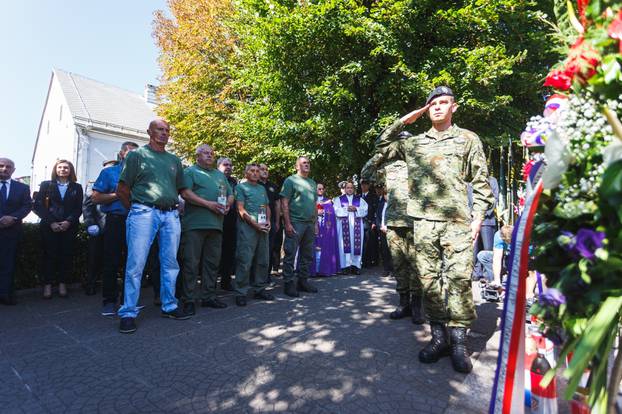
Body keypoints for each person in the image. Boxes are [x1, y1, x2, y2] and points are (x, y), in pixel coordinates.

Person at [374, 86, 493, 373]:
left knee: (459, 279)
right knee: (428, 280)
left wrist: (478, 217)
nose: (438, 107)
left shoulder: (467, 139)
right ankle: (438, 337)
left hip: (457, 223)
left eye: (444, 103)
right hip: (423, 224)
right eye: (433, 104)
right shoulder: (413, 144)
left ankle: (459, 342)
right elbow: (381, 144)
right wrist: (408, 119)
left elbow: (480, 181)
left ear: (454, 107)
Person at [116, 119, 190, 334]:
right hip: (143, 212)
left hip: (170, 215)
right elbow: (122, 189)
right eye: (160, 129)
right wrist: (136, 210)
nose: (164, 133)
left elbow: (182, 191)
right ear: (149, 131)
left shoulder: (175, 160)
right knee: (135, 264)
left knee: (170, 262)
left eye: (167, 130)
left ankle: (170, 305)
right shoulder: (137, 156)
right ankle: (128, 312)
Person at [362, 147, 425, 324]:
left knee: (416, 266)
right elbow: (366, 173)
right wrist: (382, 153)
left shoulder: (421, 163)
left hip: (416, 223)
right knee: (399, 266)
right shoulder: (390, 168)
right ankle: (403, 303)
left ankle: (417, 306)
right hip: (394, 224)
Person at [179, 144, 233, 315]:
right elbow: (185, 194)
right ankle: (188, 299)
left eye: (211, 153)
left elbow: (231, 194)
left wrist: (228, 205)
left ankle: (209, 296)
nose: (210, 156)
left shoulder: (219, 175)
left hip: (216, 225)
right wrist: (209, 204)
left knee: (212, 263)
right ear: (197, 156)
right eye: (206, 153)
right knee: (191, 263)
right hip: (195, 224)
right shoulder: (190, 172)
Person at [91, 142, 138, 315]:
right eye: (130, 152)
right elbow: (95, 198)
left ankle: (129, 300)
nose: (134, 155)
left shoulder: (142, 174)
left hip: (138, 222)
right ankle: (109, 300)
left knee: (134, 262)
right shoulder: (109, 172)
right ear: (122, 154)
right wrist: (118, 195)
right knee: (111, 261)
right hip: (116, 219)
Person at [33, 159, 83, 299]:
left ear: (70, 170)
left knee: (66, 255)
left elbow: (78, 208)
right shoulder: (46, 185)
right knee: (49, 255)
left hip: (69, 226)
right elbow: (38, 206)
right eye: (60, 167)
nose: (63, 170)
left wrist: (68, 221)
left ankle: (62, 283)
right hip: (49, 226)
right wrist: (51, 222)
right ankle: (47, 285)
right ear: (55, 170)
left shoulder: (76, 187)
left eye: (66, 167)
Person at [231, 164, 275, 306]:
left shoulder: (262, 188)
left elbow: (267, 207)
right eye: (252, 171)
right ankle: (241, 292)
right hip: (248, 229)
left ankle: (259, 289)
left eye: (257, 171)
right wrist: (256, 225)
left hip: (263, 228)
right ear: (246, 173)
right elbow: (241, 210)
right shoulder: (241, 188)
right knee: (245, 260)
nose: (256, 173)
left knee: (263, 260)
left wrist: (268, 220)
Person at [280, 156, 319, 297]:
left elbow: (314, 204)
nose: (306, 165)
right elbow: (284, 203)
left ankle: (303, 281)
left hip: (309, 223)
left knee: (307, 255)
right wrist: (288, 223)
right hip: (295, 222)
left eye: (308, 163)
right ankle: (288, 283)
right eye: (303, 163)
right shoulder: (290, 181)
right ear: (297, 166)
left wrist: (315, 223)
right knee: (290, 253)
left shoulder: (313, 183)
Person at [0, 158, 32, 305]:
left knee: (8, 264)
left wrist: (12, 217)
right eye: (1, 166)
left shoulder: (22, 188)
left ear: (13, 170)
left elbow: (26, 206)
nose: (4, 169)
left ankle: (5, 295)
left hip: (11, 231)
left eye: (8, 167)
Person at [333, 181, 368, 275]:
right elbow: (335, 210)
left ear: (354, 189)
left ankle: (356, 266)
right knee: (343, 245)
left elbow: (365, 210)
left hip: (357, 226)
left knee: (356, 244)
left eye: (351, 188)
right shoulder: (338, 199)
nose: (349, 189)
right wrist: (346, 209)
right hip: (343, 225)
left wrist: (356, 209)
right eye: (348, 188)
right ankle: (344, 266)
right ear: (345, 189)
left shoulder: (359, 200)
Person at [469, 176, 499, 279]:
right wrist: (472, 215)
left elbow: (494, 199)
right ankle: (476, 272)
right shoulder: (470, 182)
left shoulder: (492, 180)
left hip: (487, 220)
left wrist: (484, 214)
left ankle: (488, 275)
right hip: (473, 220)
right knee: (474, 248)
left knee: (488, 248)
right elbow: (468, 200)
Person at [217, 157, 237, 291]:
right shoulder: (214, 178)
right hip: (215, 219)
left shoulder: (234, 181)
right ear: (218, 166)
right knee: (214, 253)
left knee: (228, 252)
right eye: (225, 164)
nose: (228, 167)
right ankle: (210, 283)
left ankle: (226, 281)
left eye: (230, 165)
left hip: (231, 221)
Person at [82, 182, 105, 296]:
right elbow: (87, 206)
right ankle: (91, 283)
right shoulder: (94, 185)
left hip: (116, 225)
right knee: (93, 257)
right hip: (98, 226)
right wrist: (90, 223)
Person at [258, 163, 281, 277]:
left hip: (270, 221)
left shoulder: (273, 186)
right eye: (262, 169)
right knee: (257, 249)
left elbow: (277, 204)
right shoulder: (254, 185)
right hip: (254, 221)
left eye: (267, 169)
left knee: (269, 248)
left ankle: (265, 276)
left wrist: (277, 222)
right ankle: (254, 277)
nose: (265, 171)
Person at [312, 183, 339, 276]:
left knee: (324, 247)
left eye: (322, 189)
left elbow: (331, 214)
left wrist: (323, 212)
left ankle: (324, 269)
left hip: (325, 228)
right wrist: (316, 212)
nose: (320, 190)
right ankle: (313, 270)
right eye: (318, 188)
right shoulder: (311, 199)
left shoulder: (328, 201)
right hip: (313, 227)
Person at [374, 185, 393, 278]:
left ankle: (394, 269)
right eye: (385, 194)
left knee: (393, 251)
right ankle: (386, 269)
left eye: (388, 194)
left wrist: (389, 228)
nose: (387, 197)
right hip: (382, 230)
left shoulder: (394, 206)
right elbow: (377, 217)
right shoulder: (381, 204)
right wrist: (380, 227)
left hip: (391, 231)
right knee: (384, 250)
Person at [360, 179, 379, 268]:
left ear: (368, 186)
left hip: (370, 222)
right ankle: (363, 260)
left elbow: (376, 211)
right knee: (362, 242)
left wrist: (374, 222)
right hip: (360, 222)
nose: (363, 186)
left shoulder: (373, 197)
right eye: (362, 184)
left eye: (365, 184)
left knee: (370, 243)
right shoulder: (359, 197)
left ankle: (371, 261)